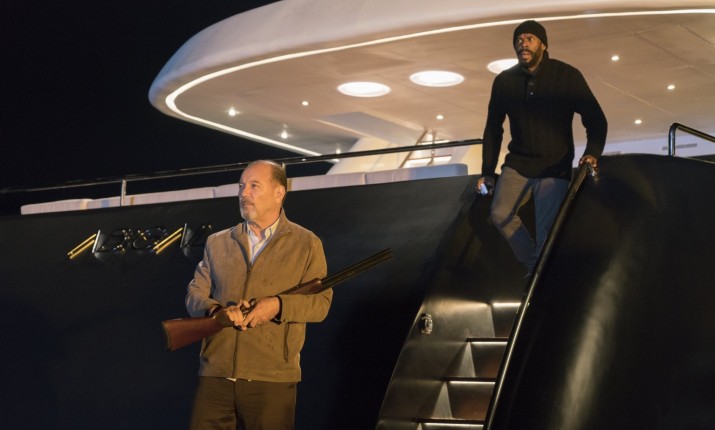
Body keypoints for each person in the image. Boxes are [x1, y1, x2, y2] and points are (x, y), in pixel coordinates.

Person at [185, 159, 332, 430]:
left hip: (272, 378)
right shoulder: (218, 242)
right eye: (241, 186)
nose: (244, 193)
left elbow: (321, 304)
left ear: (279, 193)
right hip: (215, 375)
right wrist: (215, 312)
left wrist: (277, 305)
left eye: (254, 186)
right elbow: (195, 291)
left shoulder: (306, 243)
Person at [476, 20, 607, 275]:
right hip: (518, 163)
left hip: (554, 165)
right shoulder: (504, 81)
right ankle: (536, 269)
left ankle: (537, 279)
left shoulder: (566, 75)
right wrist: (487, 172)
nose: (523, 44)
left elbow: (596, 119)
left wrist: (592, 152)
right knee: (500, 213)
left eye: (530, 39)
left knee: (547, 232)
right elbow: (493, 129)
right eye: (519, 40)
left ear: (543, 45)